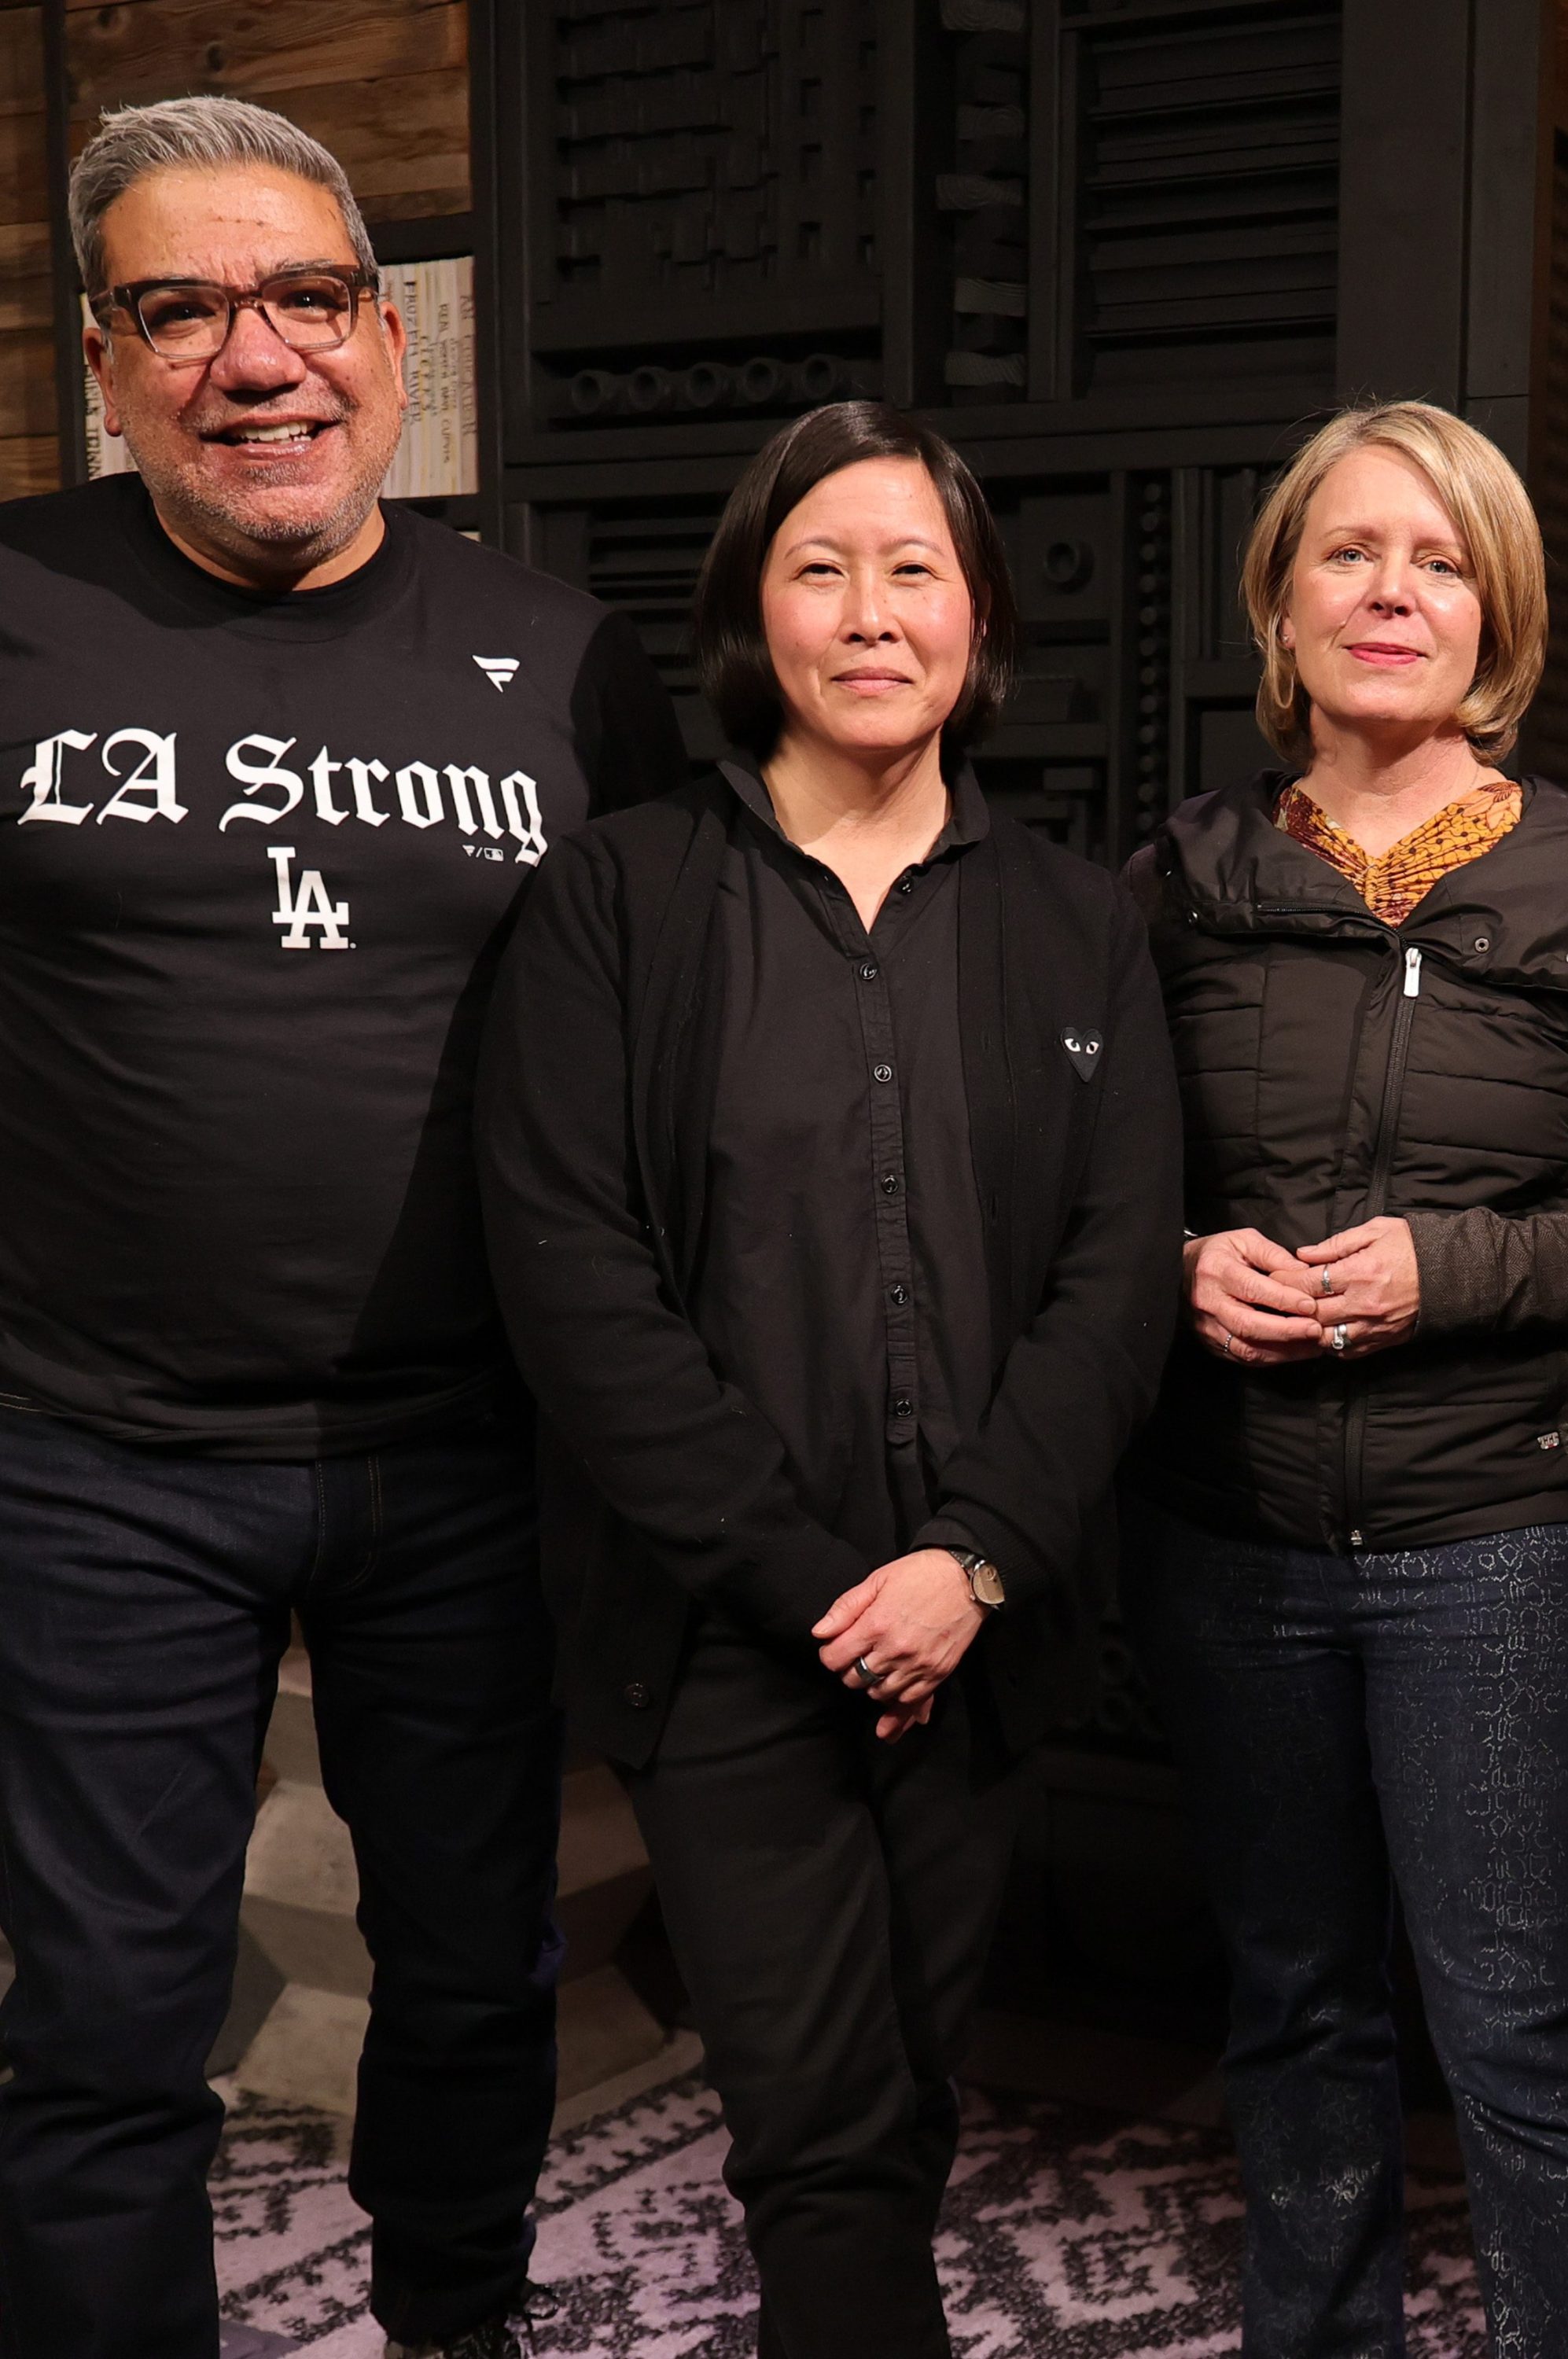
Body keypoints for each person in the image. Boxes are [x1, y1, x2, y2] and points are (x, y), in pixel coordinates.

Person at [0, 96, 686, 2359]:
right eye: (178, 309)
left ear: (395, 345)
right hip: (95, 1458)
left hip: (470, 1457)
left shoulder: (569, 663)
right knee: (103, 2027)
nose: (252, 354)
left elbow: (691, 1030)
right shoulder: (10, 610)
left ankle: (457, 2332)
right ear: (104, 363)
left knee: (478, 1976)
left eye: (303, 297)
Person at [474, 398, 1181, 2356]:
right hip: (729, 1629)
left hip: (985, 1617)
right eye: (820, 567)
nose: (872, 614)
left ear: (977, 619)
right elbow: (576, 1281)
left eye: (915, 570)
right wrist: (812, 1588)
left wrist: (968, 1564)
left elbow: (1118, 1282)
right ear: (751, 613)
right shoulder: (616, 901)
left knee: (909, 2083)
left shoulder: (1071, 922)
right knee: (825, 2124)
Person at [1121, 398, 1568, 2358]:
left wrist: (1449, 1271)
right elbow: (1070, 1197)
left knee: (1522, 2024)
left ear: (1501, 614)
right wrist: (1173, 1268)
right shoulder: (1184, 879)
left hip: (1507, 1545)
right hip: (1230, 1543)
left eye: (1443, 558)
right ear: (1280, 601)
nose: (1395, 591)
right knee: (1294, 2004)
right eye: (1352, 553)